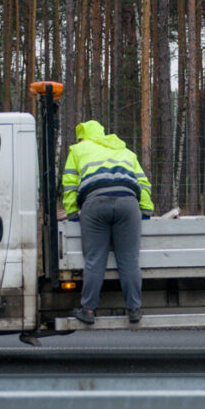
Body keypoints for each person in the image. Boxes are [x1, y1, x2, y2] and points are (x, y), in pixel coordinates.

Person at [62, 120, 153, 324]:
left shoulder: (77, 150)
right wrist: (145, 210)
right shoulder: (125, 151)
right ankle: (134, 309)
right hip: (128, 202)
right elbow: (143, 182)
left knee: (95, 260)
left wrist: (73, 213)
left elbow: (69, 185)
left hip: (95, 203)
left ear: (82, 137)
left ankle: (88, 310)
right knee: (129, 260)